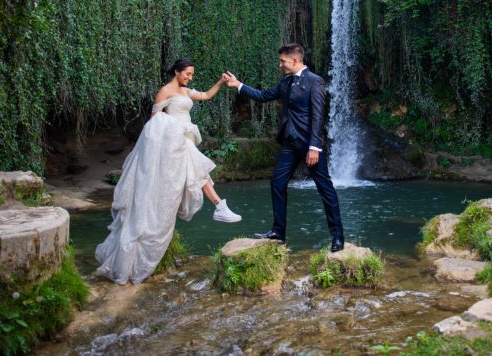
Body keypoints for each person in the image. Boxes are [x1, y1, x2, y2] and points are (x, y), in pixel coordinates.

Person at [95, 58, 241, 285]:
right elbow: (154, 124)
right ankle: (219, 206)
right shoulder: (164, 92)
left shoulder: (185, 90)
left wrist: (220, 82)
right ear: (177, 71)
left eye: (192, 75)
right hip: (172, 143)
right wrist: (164, 143)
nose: (190, 78)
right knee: (198, 172)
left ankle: (219, 207)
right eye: (187, 74)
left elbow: (205, 96)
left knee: (197, 173)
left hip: (184, 140)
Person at [223, 43, 345, 252]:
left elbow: (318, 116)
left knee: (325, 189)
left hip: (309, 145)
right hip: (289, 142)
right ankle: (278, 232)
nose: (280, 65)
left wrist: (315, 147)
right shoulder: (286, 82)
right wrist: (238, 85)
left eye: (282, 61)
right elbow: (263, 96)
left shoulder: (315, 82)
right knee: (277, 183)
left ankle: (338, 236)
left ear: (295, 60)